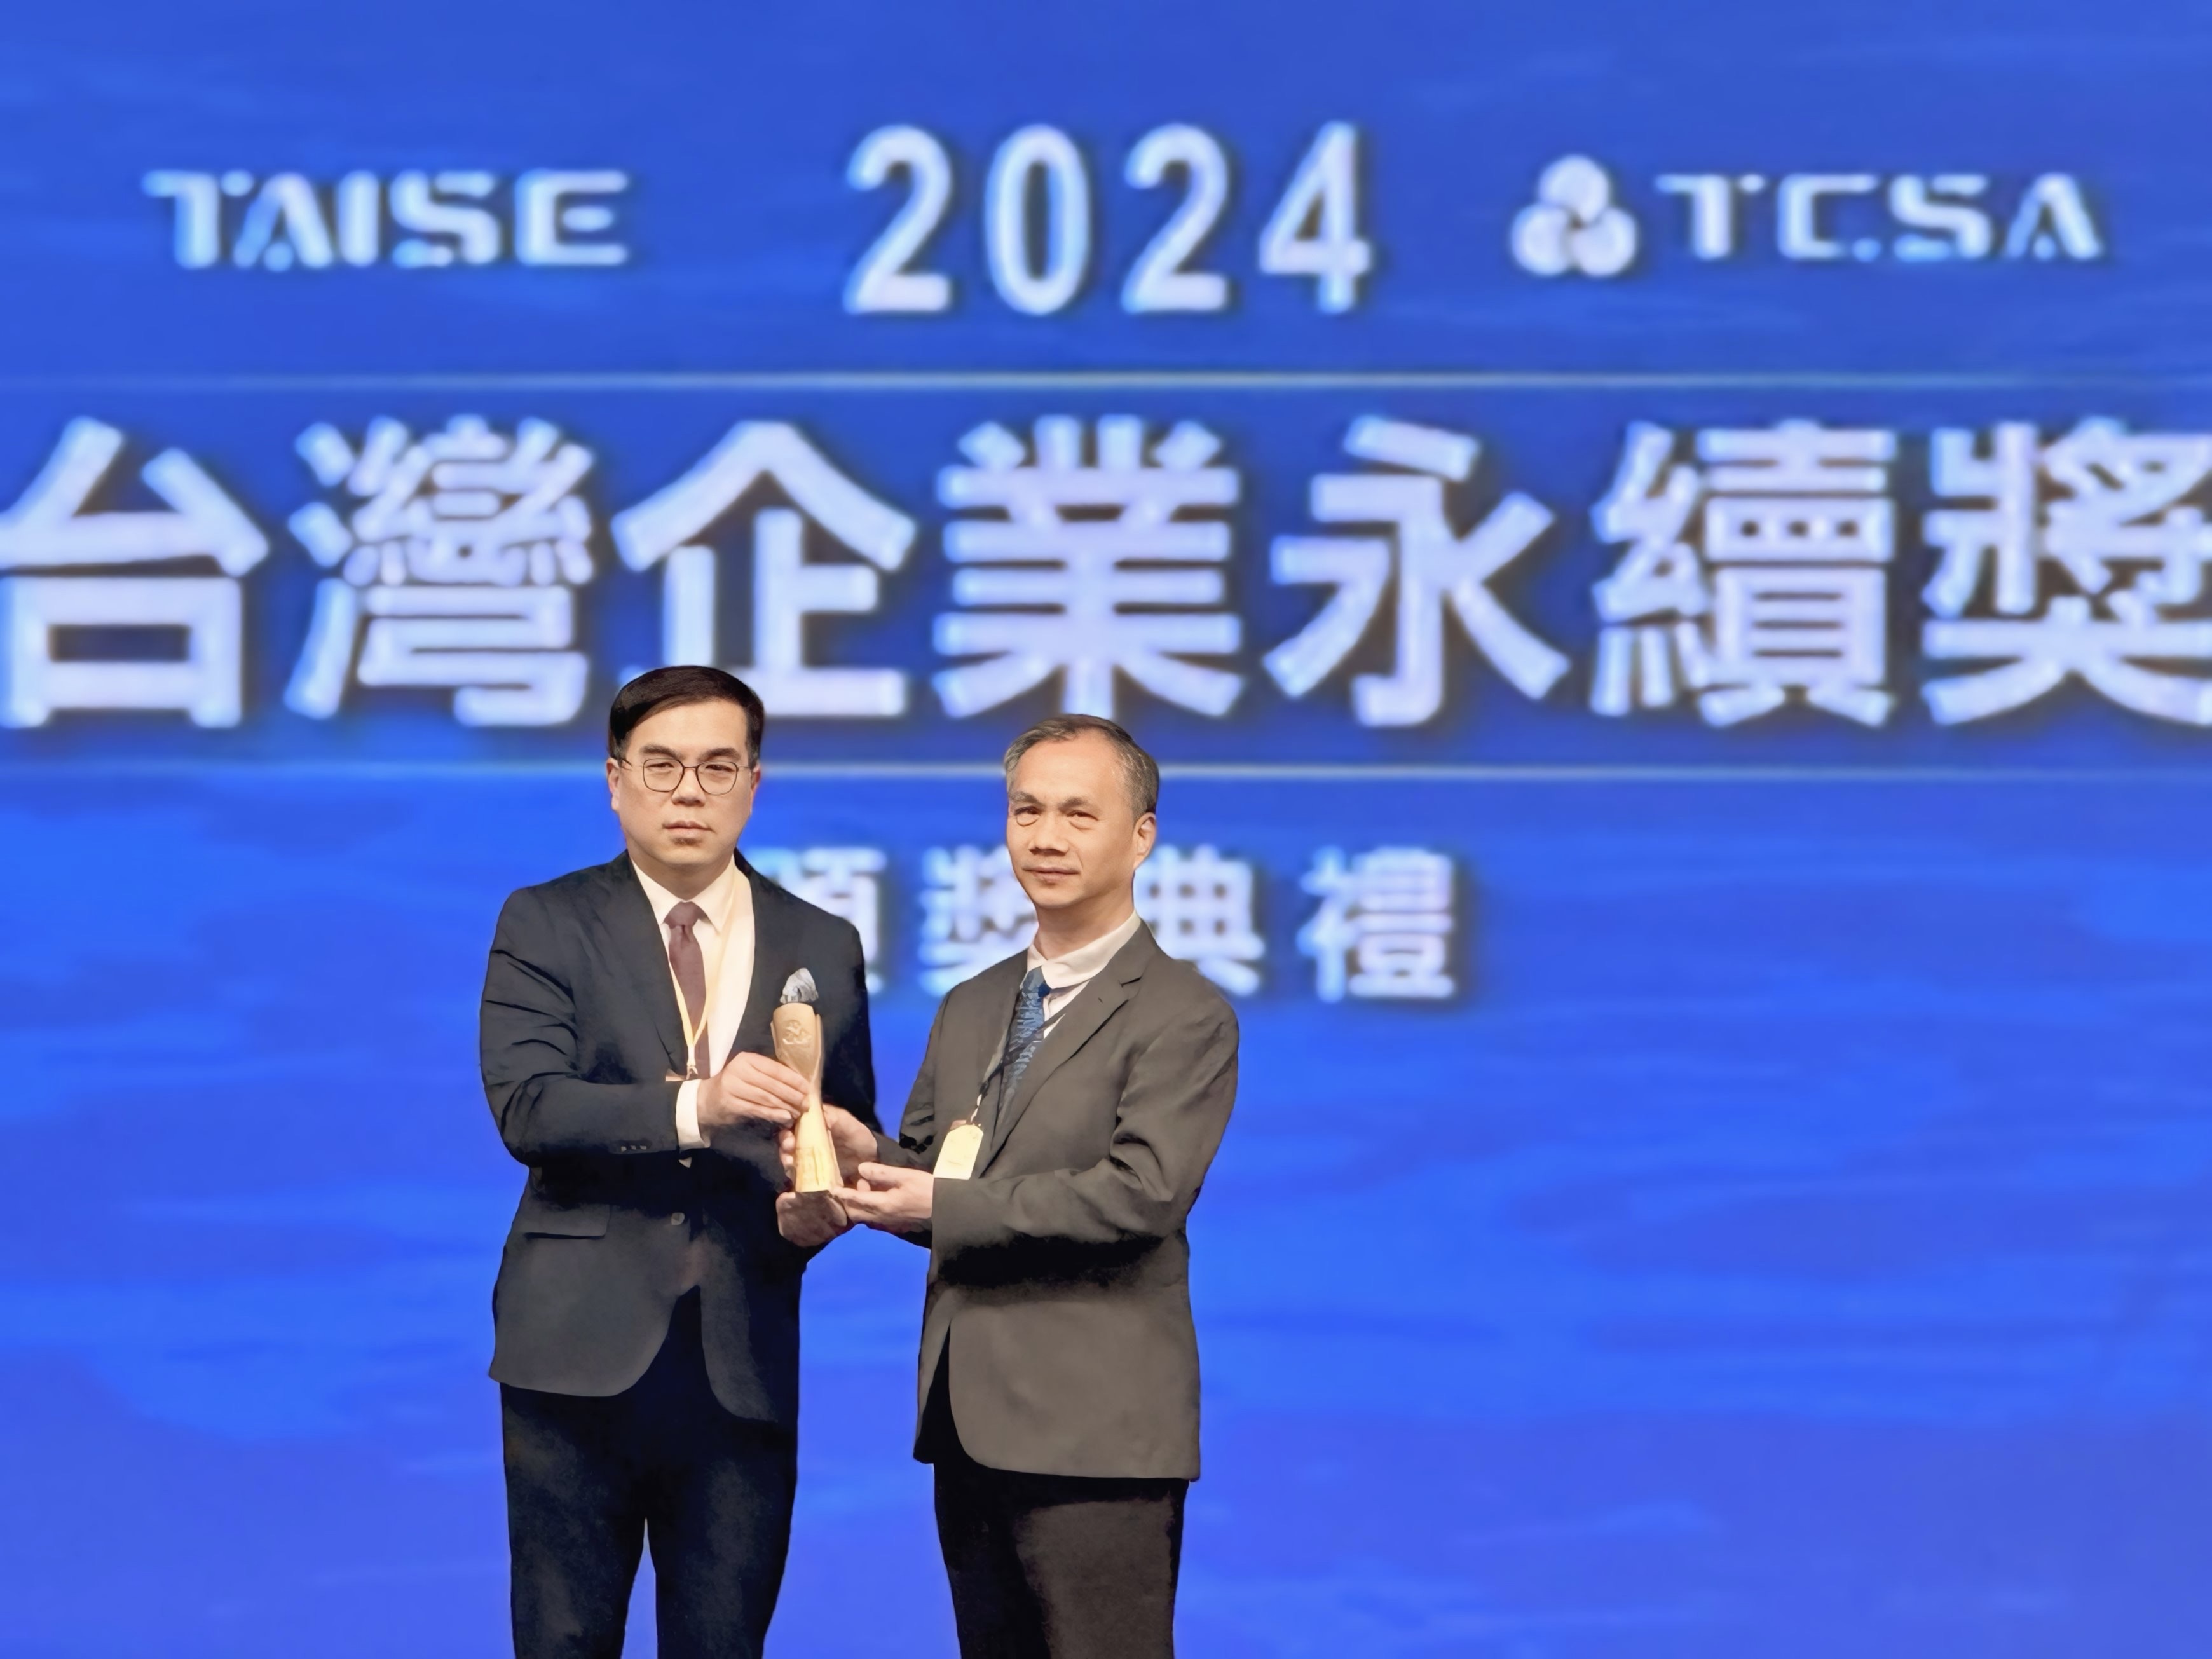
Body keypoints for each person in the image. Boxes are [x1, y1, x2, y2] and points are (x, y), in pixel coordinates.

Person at [797, 713, 1238, 1658]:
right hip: (968, 1419)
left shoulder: (1183, 1012)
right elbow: (940, 1175)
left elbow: (1142, 1194)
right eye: (1026, 810)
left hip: (1095, 1433)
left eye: (1079, 814)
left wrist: (938, 1200)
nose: (1045, 836)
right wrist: (864, 1155)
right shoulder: (974, 1003)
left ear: (1142, 836)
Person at [480, 665, 877, 1659]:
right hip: (575, 1355)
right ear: (615, 781)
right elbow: (531, 1106)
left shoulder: (821, 941)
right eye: (661, 766)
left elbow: (839, 1132)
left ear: (754, 783)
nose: (689, 792)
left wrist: (824, 1201)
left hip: (741, 1359)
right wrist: (698, 1104)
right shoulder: (545, 921)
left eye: (716, 767)